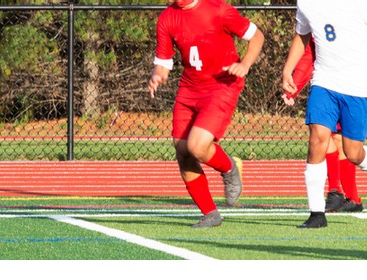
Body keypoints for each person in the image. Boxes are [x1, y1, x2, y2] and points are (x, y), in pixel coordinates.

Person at [148, 0, 264, 228]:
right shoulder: (166, 18)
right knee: (183, 151)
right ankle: (210, 213)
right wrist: (157, 75)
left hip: (222, 85)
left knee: (197, 146)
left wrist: (245, 64)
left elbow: (257, 36)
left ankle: (229, 168)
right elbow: (163, 61)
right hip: (189, 88)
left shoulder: (218, 9)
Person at [281, 0, 367, 228]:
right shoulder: (306, 2)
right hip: (324, 82)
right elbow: (302, 36)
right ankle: (316, 213)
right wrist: (288, 69)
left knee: (353, 152)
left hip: (358, 86)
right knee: (317, 137)